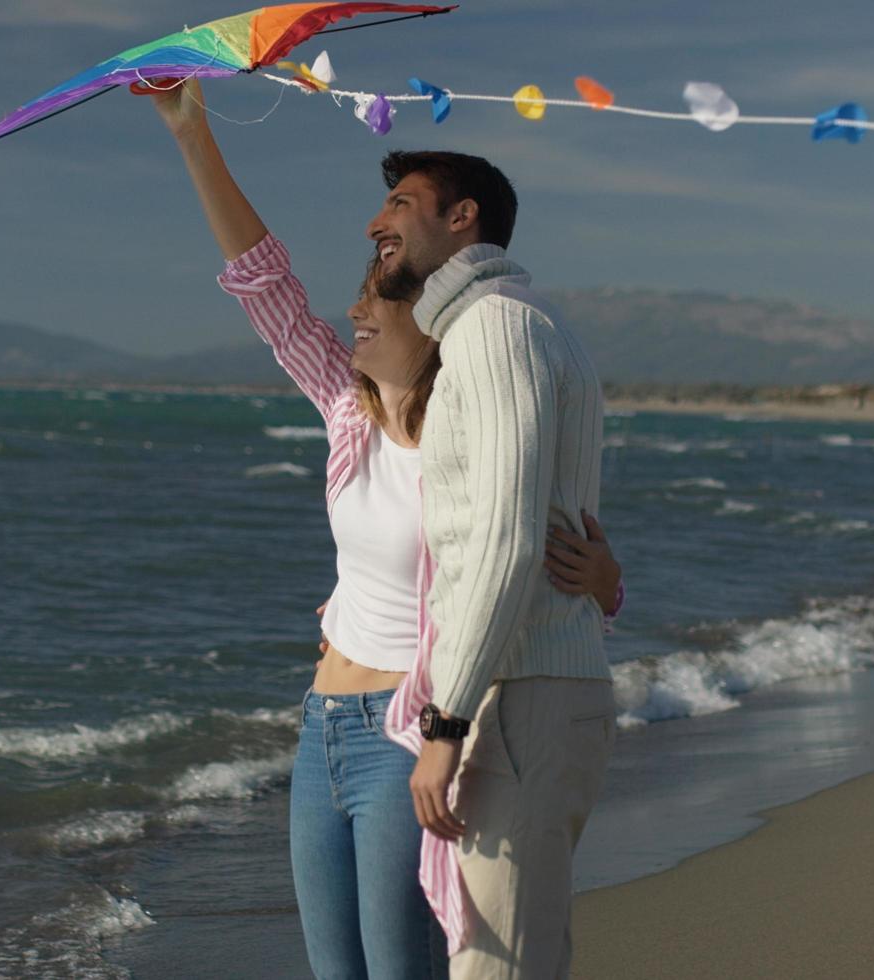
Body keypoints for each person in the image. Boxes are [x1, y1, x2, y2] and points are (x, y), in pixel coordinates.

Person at [149, 80, 623, 979]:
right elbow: (264, 284)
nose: (356, 314)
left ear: (429, 319)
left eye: (376, 302)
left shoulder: (478, 402)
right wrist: (191, 132)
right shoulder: (345, 411)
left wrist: (604, 578)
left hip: (415, 729)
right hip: (324, 721)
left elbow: (528, 537)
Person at [370, 149, 616, 978]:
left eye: (402, 204)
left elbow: (508, 541)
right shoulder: (508, 326)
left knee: (497, 967)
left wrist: (446, 724)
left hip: (522, 698)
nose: (378, 223)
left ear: (462, 217)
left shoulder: (497, 328)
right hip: (532, 691)